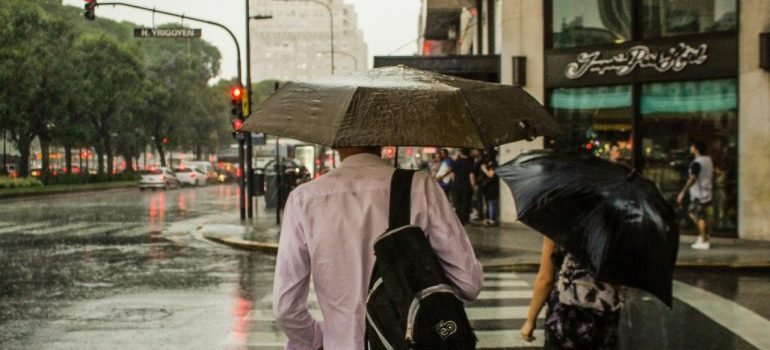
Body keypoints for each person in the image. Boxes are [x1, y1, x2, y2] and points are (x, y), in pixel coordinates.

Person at [273, 146, 483, 349]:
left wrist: (317, 340)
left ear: (335, 144)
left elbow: (286, 309)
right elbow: (469, 283)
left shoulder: (304, 199)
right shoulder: (420, 187)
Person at [521, 238, 624, 349]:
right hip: (605, 317)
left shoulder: (559, 225)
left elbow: (546, 279)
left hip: (566, 315)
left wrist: (530, 320)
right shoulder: (619, 230)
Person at [677, 140, 714, 250]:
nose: (690, 148)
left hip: (699, 193)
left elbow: (693, 178)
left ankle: (704, 240)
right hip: (707, 191)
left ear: (696, 148)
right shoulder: (708, 160)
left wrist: (683, 192)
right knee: (700, 215)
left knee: (696, 215)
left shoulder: (697, 162)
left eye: (692, 146)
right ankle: (703, 236)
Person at [446, 148, 475, 225]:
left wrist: (453, 184)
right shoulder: (470, 163)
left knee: (457, 203)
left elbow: (452, 175)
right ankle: (463, 219)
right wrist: (473, 186)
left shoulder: (456, 162)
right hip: (466, 186)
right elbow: (471, 176)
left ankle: (458, 219)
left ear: (461, 152)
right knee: (465, 203)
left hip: (456, 185)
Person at [480, 151, 499, 226]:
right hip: (487, 187)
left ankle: (492, 220)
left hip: (492, 186)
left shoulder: (494, 164)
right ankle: (488, 219)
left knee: (492, 203)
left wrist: (484, 170)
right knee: (488, 203)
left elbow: (491, 175)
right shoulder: (488, 163)